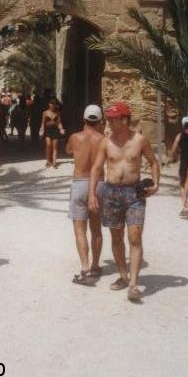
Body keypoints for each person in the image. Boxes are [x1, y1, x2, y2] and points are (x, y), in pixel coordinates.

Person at [88, 101, 160, 302]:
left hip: (134, 194)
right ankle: (123, 275)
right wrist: (93, 194)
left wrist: (156, 184)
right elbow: (96, 168)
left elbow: (153, 162)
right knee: (117, 238)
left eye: (113, 118)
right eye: (108, 118)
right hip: (111, 193)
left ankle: (134, 284)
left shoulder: (140, 140)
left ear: (124, 119)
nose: (109, 121)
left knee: (135, 238)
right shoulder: (105, 142)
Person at [65, 105, 106, 284]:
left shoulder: (75, 137)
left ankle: (85, 267)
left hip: (80, 183)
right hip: (98, 184)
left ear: (84, 119)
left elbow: (68, 151)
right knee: (96, 229)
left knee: (80, 230)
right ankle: (96, 265)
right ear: (99, 120)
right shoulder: (104, 139)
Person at [41, 99, 65, 168]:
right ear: (49, 104)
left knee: (55, 147)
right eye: (51, 104)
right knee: (48, 145)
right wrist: (42, 129)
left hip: (55, 130)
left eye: (53, 104)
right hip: (48, 130)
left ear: (55, 105)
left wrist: (61, 129)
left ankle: (54, 162)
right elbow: (43, 123)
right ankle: (48, 161)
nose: (52, 105)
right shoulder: (45, 113)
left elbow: (59, 123)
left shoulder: (58, 113)